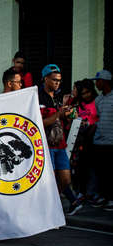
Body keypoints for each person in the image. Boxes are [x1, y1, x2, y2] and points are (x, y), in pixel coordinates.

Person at [38, 64, 78, 213]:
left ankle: (58, 204)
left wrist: (69, 116)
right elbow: (39, 123)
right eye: (54, 80)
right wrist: (58, 115)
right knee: (51, 181)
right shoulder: (38, 96)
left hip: (60, 144)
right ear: (45, 79)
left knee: (66, 179)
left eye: (59, 80)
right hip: (46, 145)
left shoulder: (58, 96)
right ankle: (52, 211)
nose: (57, 83)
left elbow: (60, 120)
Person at [67, 79, 100, 214]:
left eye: (88, 93)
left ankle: (92, 193)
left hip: (93, 140)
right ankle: (81, 192)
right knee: (79, 168)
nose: (86, 96)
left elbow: (97, 120)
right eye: (83, 93)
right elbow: (73, 119)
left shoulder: (96, 103)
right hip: (79, 139)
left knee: (92, 168)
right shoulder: (78, 105)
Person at [90, 70, 113, 211]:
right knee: (101, 172)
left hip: (111, 142)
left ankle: (111, 199)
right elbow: (95, 119)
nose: (96, 84)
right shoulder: (98, 100)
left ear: (104, 82)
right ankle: (104, 197)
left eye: (98, 81)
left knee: (111, 172)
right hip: (99, 142)